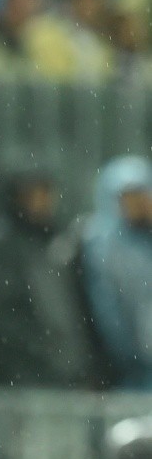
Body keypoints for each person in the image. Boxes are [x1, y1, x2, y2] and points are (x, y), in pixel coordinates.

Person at [0, 167, 104, 389]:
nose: (41, 202)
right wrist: (41, 350)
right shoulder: (0, 245)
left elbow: (76, 308)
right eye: (33, 195)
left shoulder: (58, 241)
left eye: (46, 194)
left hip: (69, 371)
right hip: (25, 373)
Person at [80, 156, 152, 390]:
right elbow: (107, 308)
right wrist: (126, 354)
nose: (140, 204)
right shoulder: (102, 244)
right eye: (131, 197)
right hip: (130, 365)